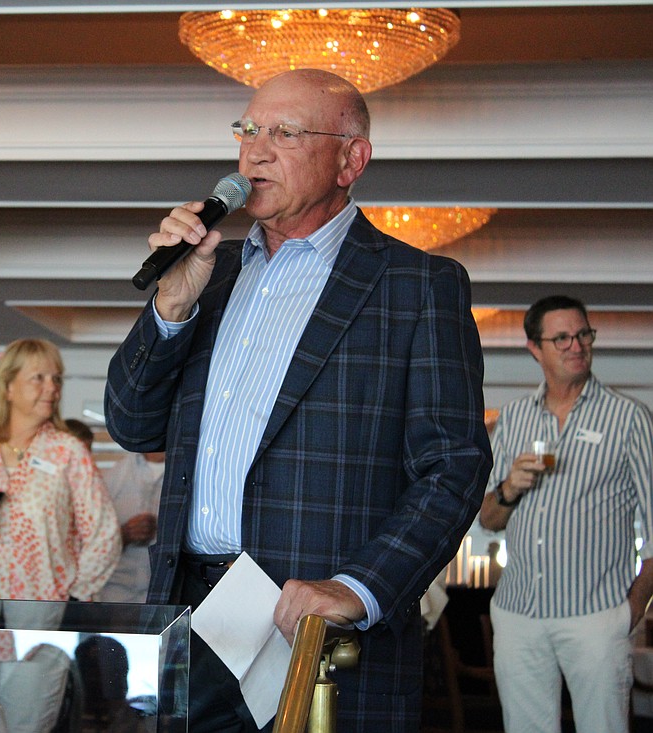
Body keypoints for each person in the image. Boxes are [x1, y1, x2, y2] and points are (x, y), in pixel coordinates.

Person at [104, 68, 492, 732]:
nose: (255, 151)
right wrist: (170, 307)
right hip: (190, 617)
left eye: (283, 132)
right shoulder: (209, 275)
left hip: (318, 633)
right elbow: (133, 422)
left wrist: (358, 587)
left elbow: (453, 466)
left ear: (351, 160)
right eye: (248, 130)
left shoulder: (418, 286)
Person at [0, 337, 122, 733]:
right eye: (39, 378)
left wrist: (73, 599)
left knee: (26, 727)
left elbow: (104, 533)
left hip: (39, 625)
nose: (52, 387)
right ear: (8, 386)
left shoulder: (67, 451)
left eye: (56, 378)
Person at [479, 295, 653, 733]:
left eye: (583, 334)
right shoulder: (513, 419)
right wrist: (507, 489)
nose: (576, 346)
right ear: (535, 348)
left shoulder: (629, 418)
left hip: (596, 616)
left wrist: (627, 614)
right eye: (562, 338)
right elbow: (488, 518)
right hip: (518, 614)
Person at [98, 451, 165, 604]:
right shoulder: (114, 475)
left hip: (168, 598)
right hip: (114, 595)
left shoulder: (192, 471)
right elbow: (85, 541)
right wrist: (122, 535)